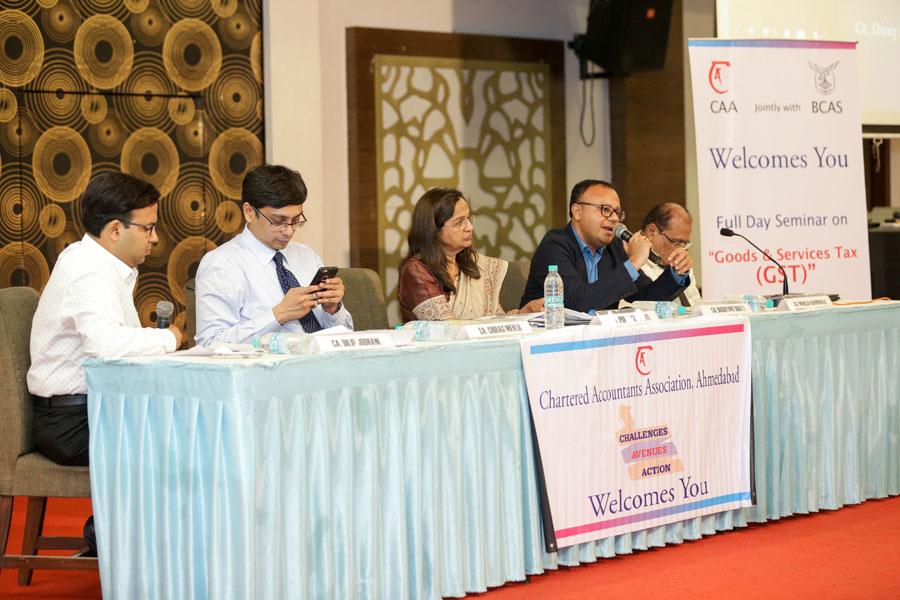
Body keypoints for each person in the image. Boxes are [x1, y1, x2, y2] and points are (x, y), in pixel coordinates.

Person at [27, 172, 183, 555]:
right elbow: (107, 346)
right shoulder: (90, 271)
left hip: (92, 411)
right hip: (71, 422)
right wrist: (170, 339)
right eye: (148, 228)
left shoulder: (98, 263)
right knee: (181, 440)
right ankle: (117, 543)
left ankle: (127, 539)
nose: (155, 238)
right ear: (115, 229)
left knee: (185, 425)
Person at [195, 164, 352, 345]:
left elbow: (347, 338)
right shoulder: (222, 265)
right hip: (271, 363)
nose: (289, 231)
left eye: (296, 220)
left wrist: (332, 309)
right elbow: (210, 344)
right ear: (249, 212)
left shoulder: (307, 256)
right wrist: (279, 314)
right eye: (278, 221)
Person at [519, 179, 692, 313]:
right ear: (577, 212)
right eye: (605, 210)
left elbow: (647, 297)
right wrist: (634, 262)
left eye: (617, 212)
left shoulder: (614, 248)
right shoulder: (554, 245)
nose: (615, 218)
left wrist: (676, 273)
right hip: (550, 341)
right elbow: (578, 302)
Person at [398, 187, 544, 322]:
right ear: (434, 230)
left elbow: (493, 322)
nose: (470, 227)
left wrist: (524, 313)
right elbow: (446, 329)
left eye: (468, 219)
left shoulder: (476, 264)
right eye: (459, 222)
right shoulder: (416, 271)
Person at [639, 202, 701, 307]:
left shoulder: (680, 262)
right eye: (676, 242)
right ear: (651, 232)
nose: (680, 249)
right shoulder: (633, 265)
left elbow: (696, 303)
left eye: (684, 244)